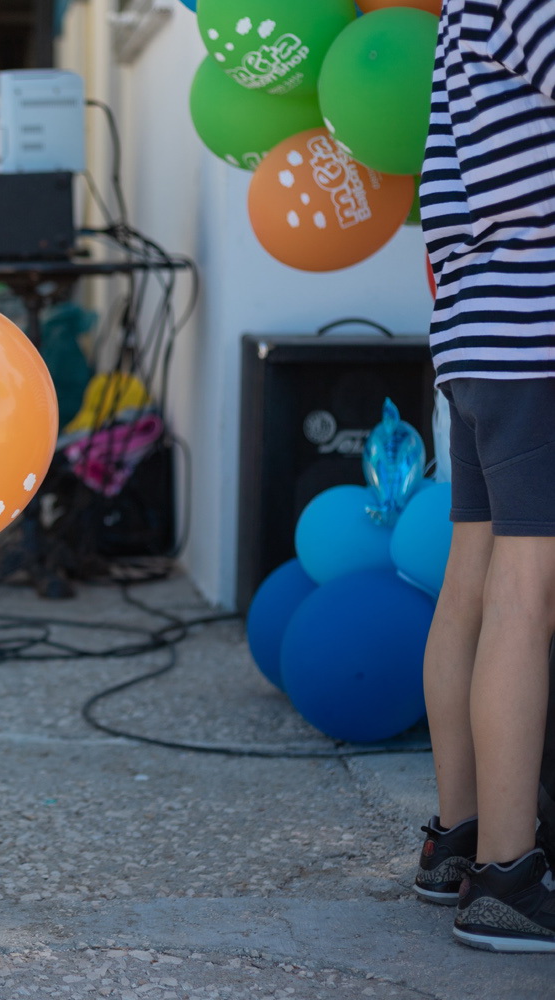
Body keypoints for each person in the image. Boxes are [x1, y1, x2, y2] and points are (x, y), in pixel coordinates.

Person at [415, 0, 555, 952]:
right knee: (526, 595)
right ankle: (511, 876)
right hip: (536, 331)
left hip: (477, 332)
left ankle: (457, 840)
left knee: (472, 583)